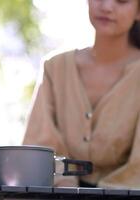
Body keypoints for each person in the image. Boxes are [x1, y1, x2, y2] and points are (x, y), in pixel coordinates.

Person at [23, 0, 140, 189]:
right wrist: (67, 189)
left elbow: (137, 169)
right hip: (55, 194)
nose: (107, 6)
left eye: (122, 0)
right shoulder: (55, 67)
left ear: (138, 11)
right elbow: (38, 147)